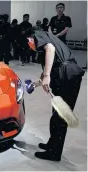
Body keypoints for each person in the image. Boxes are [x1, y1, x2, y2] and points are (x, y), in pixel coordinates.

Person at [25, 28, 85, 161]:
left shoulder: (38, 35)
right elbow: (47, 68)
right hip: (63, 76)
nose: (31, 47)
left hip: (68, 75)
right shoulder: (44, 41)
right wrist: (37, 83)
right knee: (55, 115)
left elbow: (50, 49)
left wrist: (47, 76)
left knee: (60, 118)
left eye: (28, 43)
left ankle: (54, 153)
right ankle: (52, 145)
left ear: (30, 39)